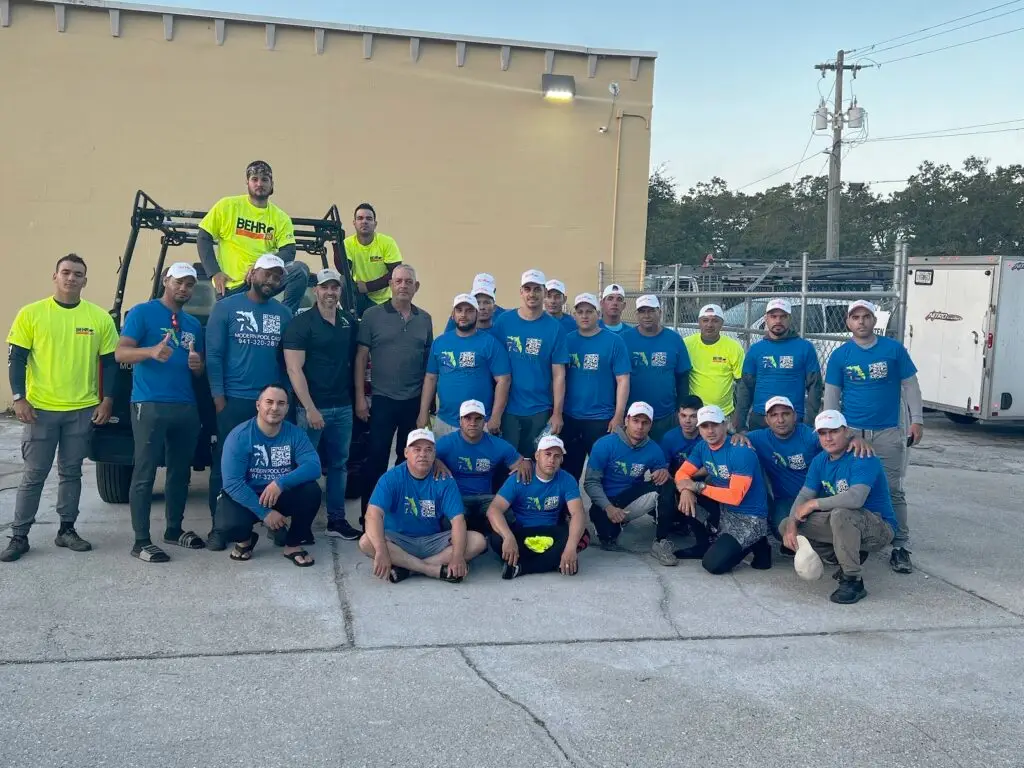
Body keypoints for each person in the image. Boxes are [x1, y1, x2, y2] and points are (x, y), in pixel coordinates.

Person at [2, 254, 118, 563]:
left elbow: (110, 362)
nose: (71, 278)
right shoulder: (32, 314)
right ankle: (19, 535)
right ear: (55, 276)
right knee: (34, 474)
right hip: (40, 410)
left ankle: (67, 530)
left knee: (71, 473)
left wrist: (108, 398)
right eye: (65, 272)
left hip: (81, 410)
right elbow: (17, 359)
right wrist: (18, 397)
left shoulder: (99, 318)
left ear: (85, 280)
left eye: (77, 274)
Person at [824, 299, 923, 574]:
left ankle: (900, 546)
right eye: (855, 317)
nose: (861, 322)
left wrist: (917, 421)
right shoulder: (841, 355)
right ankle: (854, 539)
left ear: (873, 320)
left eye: (866, 316)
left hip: (888, 430)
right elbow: (832, 395)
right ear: (848, 322)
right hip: (852, 432)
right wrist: (831, 431)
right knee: (850, 488)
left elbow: (911, 387)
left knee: (892, 488)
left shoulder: (893, 350)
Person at [115, 262, 207, 563]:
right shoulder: (143, 312)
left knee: (180, 473)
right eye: (179, 282)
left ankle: (173, 530)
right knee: (144, 473)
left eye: (190, 284)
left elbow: (198, 367)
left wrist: (198, 367)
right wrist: (150, 352)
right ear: (166, 281)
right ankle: (141, 541)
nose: (184, 288)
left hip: (185, 406)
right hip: (149, 403)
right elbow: (121, 352)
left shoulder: (192, 324)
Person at [205, 253, 293, 548]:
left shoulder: (283, 314)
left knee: (274, 466)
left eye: (277, 276)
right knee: (225, 466)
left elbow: (286, 363)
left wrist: (285, 401)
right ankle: (220, 528)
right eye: (267, 274)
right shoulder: (226, 307)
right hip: (235, 400)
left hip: (271, 406)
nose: (271, 280)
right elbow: (214, 355)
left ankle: (274, 523)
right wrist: (219, 397)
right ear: (252, 274)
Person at [780, 410, 898, 604]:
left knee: (841, 514)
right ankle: (843, 556)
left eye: (833, 431)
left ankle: (853, 581)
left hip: (879, 527)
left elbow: (855, 498)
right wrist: (793, 523)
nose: (828, 438)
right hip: (845, 523)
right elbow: (804, 494)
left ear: (846, 431)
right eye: (822, 433)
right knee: (786, 524)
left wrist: (814, 504)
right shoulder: (820, 461)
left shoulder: (863, 456)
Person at [733, 395, 874, 555]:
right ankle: (826, 548)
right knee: (781, 528)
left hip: (818, 494)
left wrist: (854, 438)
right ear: (767, 420)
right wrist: (738, 436)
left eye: (785, 414)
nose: (780, 420)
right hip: (785, 500)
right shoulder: (759, 437)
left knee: (835, 522)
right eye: (774, 415)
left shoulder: (810, 435)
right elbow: (730, 439)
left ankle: (845, 547)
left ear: (795, 416)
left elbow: (835, 439)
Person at [282, 268, 361, 540]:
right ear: (315, 290)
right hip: (311, 410)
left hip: (343, 407)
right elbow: (294, 370)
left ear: (340, 291)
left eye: (335, 287)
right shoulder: (301, 324)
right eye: (325, 287)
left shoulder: (348, 322)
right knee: (304, 467)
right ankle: (299, 524)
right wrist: (310, 408)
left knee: (339, 465)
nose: (330, 292)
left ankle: (336, 521)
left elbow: (357, 362)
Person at [355, 265, 433, 525]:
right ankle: (369, 515)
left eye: (408, 282)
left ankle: (400, 513)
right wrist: (359, 398)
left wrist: (425, 407)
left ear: (416, 287)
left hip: (413, 401)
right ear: (390, 284)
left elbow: (427, 365)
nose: (403, 286)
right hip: (382, 400)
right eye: (398, 281)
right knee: (375, 459)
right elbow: (361, 358)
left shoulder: (425, 319)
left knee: (407, 459)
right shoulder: (372, 315)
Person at [212, 384, 321, 567]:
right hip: (249, 495)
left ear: (287, 408)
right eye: (269, 402)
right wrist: (265, 513)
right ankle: (245, 541)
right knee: (227, 525)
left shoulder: (295, 434)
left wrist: (279, 483)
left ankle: (292, 545)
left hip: (279, 494)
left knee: (312, 491)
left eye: (281, 403)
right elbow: (232, 483)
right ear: (258, 405)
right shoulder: (239, 436)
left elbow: (314, 466)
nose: (274, 408)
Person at [359, 428, 487, 583]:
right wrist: (381, 550)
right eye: (416, 449)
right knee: (366, 541)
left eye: (428, 450)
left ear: (434, 454)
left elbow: (458, 520)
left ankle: (408, 568)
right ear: (406, 453)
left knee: (478, 541)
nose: (422, 454)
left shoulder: (445, 480)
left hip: (432, 540)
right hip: (399, 539)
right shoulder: (391, 478)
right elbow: (372, 514)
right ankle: (431, 569)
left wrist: (457, 556)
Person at [197, 160, 309, 314]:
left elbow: (289, 251)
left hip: (264, 282)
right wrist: (214, 272)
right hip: (233, 287)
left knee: (300, 270)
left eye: (264, 179)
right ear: (247, 183)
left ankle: (284, 317)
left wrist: (260, 266)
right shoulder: (227, 206)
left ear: (272, 184)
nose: (259, 184)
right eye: (254, 179)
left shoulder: (281, 217)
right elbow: (203, 237)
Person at [674, 405, 772, 574]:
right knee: (678, 491)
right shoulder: (702, 447)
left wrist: (697, 486)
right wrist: (686, 491)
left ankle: (758, 542)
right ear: (699, 429)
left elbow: (735, 497)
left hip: (749, 517)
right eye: (705, 426)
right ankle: (703, 544)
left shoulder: (740, 451)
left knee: (713, 565)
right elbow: (681, 473)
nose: (710, 431)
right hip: (724, 508)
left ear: (725, 425)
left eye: (715, 425)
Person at [584, 402, 678, 565]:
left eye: (645, 422)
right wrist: (608, 507)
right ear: (626, 420)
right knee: (607, 538)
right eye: (636, 421)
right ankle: (607, 524)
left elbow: (662, 474)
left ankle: (660, 541)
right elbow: (590, 482)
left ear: (650, 425)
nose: (640, 426)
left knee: (667, 484)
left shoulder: (654, 449)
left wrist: (663, 472)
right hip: (607, 502)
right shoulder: (604, 444)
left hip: (632, 496)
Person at [485, 435, 588, 579]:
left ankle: (522, 567)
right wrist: (508, 537)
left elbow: (578, 513)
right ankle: (554, 561)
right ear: (537, 456)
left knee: (582, 536)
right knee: (496, 538)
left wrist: (570, 548)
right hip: (523, 533)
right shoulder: (519, 477)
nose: (552, 460)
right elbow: (494, 509)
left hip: (551, 533)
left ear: (561, 460)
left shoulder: (567, 479)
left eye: (557, 456)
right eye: (547, 454)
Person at [492, 269, 570, 456]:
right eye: (527, 289)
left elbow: (559, 374)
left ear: (544, 292)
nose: (532, 294)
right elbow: (494, 368)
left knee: (536, 462)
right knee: (508, 463)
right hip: (509, 409)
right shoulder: (504, 322)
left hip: (540, 409)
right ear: (521, 292)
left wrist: (557, 413)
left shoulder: (554, 328)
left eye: (537, 289)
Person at [419, 293, 511, 437]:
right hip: (445, 422)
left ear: (476, 313)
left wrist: (495, 417)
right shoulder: (440, 343)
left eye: (469, 310)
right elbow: (431, 378)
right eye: (459, 310)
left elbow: (504, 380)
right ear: (453, 314)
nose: (463, 314)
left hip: (480, 422)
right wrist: (423, 412)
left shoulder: (490, 343)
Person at [561, 292, 631, 481]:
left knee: (604, 472)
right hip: (571, 417)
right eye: (580, 311)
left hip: (601, 419)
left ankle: (605, 509)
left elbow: (623, 380)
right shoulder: (566, 341)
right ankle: (568, 510)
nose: (584, 315)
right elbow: (557, 378)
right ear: (574, 315)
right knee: (568, 470)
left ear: (598, 315)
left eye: (589, 311)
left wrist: (618, 415)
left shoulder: (614, 342)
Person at [435, 400, 532, 533]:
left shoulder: (497, 444)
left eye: (478, 418)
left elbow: (521, 463)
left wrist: (526, 462)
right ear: (460, 421)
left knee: (507, 516)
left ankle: (490, 544)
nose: (473, 423)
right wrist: (435, 461)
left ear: (484, 421)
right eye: (467, 418)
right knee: (446, 521)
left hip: (486, 499)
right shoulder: (447, 442)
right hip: (457, 497)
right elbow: (422, 457)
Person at [735, 298, 822, 431]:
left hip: (792, 418)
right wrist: (740, 424)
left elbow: (815, 387)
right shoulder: (756, 350)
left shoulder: (805, 348)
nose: (778, 321)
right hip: (760, 418)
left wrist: (809, 422)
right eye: (773, 316)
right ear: (766, 318)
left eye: (783, 316)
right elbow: (745, 388)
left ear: (790, 319)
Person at [621, 295, 692, 443]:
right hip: (634, 417)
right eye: (642, 311)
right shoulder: (624, 339)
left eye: (651, 311)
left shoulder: (674, 339)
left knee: (664, 461)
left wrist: (680, 411)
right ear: (636, 314)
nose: (646, 316)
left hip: (665, 416)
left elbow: (683, 379)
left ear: (659, 311)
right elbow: (617, 379)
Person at [684, 304, 745, 425]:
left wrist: (739, 415)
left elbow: (742, 383)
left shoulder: (733, 347)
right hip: (694, 412)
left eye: (715, 321)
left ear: (722, 323)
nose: (709, 325)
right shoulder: (687, 344)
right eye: (705, 320)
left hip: (723, 413)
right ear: (699, 322)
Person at [343, 203, 403, 317]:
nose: (364, 221)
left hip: (383, 301)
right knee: (343, 280)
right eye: (360, 218)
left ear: (375, 224)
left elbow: (396, 273)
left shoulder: (387, 242)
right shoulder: (347, 243)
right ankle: (349, 319)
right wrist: (337, 243)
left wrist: (368, 287)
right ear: (354, 223)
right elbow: (343, 270)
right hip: (359, 298)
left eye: (369, 218)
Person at [443, 273, 506, 338]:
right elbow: (447, 342)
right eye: (477, 302)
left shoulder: (504, 317)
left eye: (486, 302)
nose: (481, 307)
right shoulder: (459, 317)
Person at [660, 395, 704, 475]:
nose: (687, 421)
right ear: (678, 415)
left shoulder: (708, 437)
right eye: (683, 415)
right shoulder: (669, 438)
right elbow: (664, 468)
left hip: (701, 481)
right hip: (675, 481)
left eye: (693, 416)